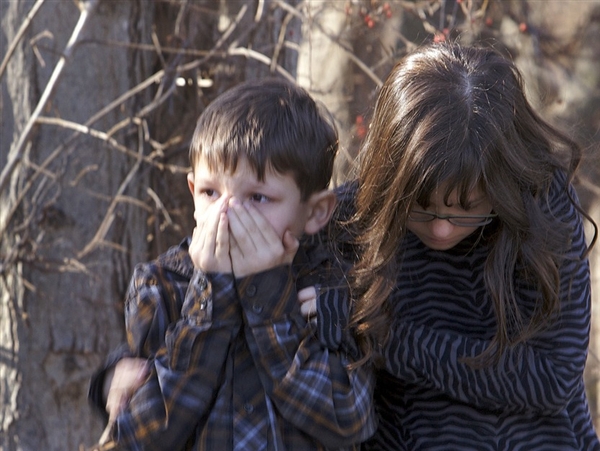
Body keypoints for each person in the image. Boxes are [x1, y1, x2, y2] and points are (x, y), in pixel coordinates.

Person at [309, 42, 600, 450]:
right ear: (391, 183)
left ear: (504, 182)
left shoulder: (542, 206)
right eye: (421, 208)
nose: (442, 230)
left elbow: (552, 377)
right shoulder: (348, 220)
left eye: (467, 209)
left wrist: (376, 336)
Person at [88, 78, 375, 450]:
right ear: (192, 192)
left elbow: (350, 418)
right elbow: (140, 435)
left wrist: (272, 306)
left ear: (316, 211)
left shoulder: (331, 289)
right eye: (211, 192)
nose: (227, 214)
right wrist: (209, 297)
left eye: (258, 197)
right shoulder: (162, 285)